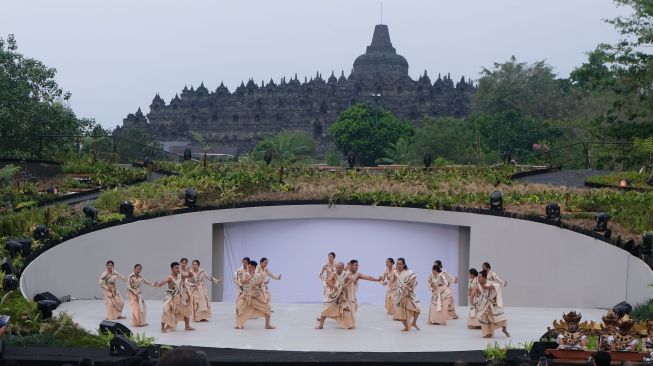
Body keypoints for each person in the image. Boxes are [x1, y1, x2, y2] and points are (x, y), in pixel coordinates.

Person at [155, 261, 194, 333]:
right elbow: (161, 284)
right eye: (176, 268)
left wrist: (189, 271)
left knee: (186, 310)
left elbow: (190, 276)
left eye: (178, 267)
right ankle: (162, 328)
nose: (177, 269)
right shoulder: (169, 278)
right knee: (166, 310)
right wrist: (157, 284)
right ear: (172, 269)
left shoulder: (180, 275)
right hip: (170, 296)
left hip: (179, 296)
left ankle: (187, 326)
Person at [235, 260, 274, 329]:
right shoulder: (245, 275)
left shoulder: (259, 275)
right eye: (249, 267)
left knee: (268, 308)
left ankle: (267, 325)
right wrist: (250, 277)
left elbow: (260, 284)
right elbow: (242, 282)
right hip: (247, 297)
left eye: (252, 267)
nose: (250, 269)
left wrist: (259, 283)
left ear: (255, 268)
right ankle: (239, 325)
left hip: (256, 297)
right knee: (238, 309)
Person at [316, 262, 355, 330]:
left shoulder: (346, 274)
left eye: (339, 268)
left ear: (343, 268)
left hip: (342, 295)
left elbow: (352, 279)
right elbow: (328, 281)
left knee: (346, 309)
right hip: (334, 294)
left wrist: (346, 285)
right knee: (325, 310)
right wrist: (334, 287)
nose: (337, 269)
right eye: (336, 267)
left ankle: (349, 325)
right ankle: (321, 326)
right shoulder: (334, 273)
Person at [343, 259, 382, 328]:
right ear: (351, 265)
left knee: (355, 307)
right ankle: (348, 323)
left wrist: (377, 280)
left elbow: (368, 277)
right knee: (347, 308)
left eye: (357, 265)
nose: (357, 267)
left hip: (352, 296)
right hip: (344, 295)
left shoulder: (357, 274)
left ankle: (348, 323)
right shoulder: (345, 273)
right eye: (355, 265)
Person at [475, 270, 509, 338]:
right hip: (485, 304)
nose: (478, 279)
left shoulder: (490, 282)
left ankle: (504, 329)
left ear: (484, 278)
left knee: (500, 318)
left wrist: (488, 287)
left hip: (493, 304)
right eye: (478, 277)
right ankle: (489, 333)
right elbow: (479, 294)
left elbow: (497, 285)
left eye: (479, 277)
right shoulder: (478, 285)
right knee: (486, 318)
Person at [394, 258, 420, 331]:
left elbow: (413, 281)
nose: (398, 265)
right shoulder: (395, 272)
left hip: (408, 294)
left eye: (400, 264)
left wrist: (411, 287)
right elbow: (394, 282)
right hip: (399, 294)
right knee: (400, 312)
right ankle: (406, 327)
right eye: (397, 264)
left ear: (404, 264)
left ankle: (414, 323)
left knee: (417, 309)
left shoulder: (409, 272)